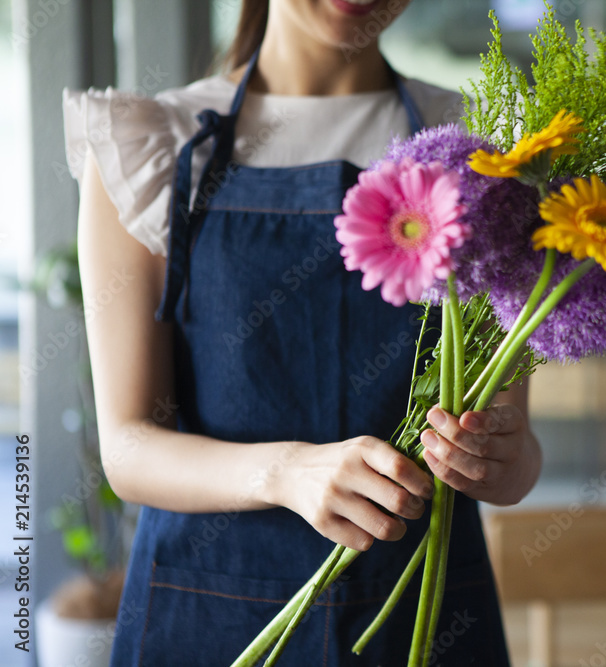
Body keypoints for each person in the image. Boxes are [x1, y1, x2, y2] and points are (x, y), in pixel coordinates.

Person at [64, 0, 540, 664]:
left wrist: (502, 460)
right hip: (205, 614)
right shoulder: (150, 143)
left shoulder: (478, 146)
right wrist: (286, 472)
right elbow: (127, 449)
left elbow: (516, 453)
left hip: (423, 620)